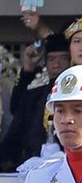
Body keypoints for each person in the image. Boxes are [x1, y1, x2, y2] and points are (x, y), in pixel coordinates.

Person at [0, 33, 68, 171]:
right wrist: (27, 71)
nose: (57, 64)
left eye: (63, 59)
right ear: (45, 62)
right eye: (51, 59)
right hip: (34, 164)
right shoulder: (34, 96)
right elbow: (15, 109)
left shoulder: (79, 95)